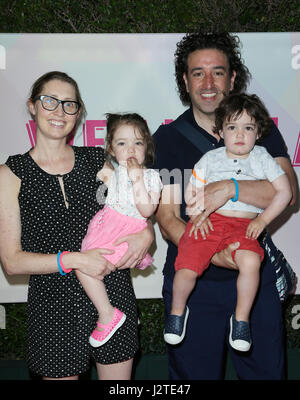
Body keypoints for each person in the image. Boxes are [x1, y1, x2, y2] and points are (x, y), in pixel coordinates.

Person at [153, 33, 297, 380]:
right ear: (185, 81)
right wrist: (210, 252)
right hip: (193, 281)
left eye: (218, 72)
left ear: (232, 78)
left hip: (252, 274)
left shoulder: (258, 132)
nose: (208, 83)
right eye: (197, 73)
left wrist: (230, 189)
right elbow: (168, 218)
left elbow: (288, 192)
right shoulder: (168, 139)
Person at [0, 71, 154, 380]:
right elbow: (12, 262)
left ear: (78, 113)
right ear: (32, 106)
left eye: (69, 104)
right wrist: (76, 259)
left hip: (113, 296)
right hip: (53, 307)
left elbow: (132, 208)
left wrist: (146, 233)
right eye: (49, 101)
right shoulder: (10, 173)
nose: (59, 111)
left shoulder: (96, 161)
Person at [164, 93, 292, 352]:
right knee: (187, 265)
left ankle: (241, 319)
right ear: (220, 131)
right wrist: (197, 215)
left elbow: (286, 193)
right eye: (232, 127)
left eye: (248, 128)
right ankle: (177, 314)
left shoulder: (262, 158)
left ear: (258, 132)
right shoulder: (210, 159)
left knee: (250, 262)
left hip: (244, 226)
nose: (240, 134)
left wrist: (264, 220)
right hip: (210, 223)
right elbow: (192, 192)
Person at [77, 113, 162, 348]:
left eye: (138, 143)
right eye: (122, 143)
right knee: (85, 265)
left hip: (125, 232)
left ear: (147, 147)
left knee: (85, 269)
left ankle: (108, 314)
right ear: (111, 149)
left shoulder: (152, 177)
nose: (131, 149)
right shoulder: (111, 173)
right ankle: (121, 315)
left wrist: (137, 179)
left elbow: (146, 210)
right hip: (106, 225)